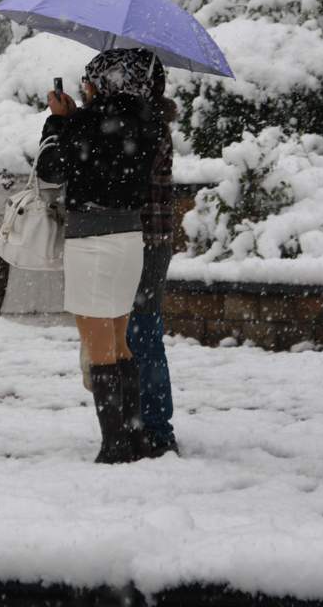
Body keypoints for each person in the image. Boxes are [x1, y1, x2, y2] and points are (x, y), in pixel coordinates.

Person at [36, 48, 164, 464]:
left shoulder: (86, 124)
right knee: (121, 345)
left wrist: (58, 121)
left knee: (100, 348)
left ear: (106, 81)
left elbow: (50, 169)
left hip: (91, 243)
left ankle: (115, 447)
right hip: (129, 240)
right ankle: (135, 437)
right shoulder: (149, 124)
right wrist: (78, 119)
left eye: (90, 80)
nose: (85, 87)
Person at [128, 56, 179, 457]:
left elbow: (129, 176)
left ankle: (158, 427)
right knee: (136, 331)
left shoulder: (148, 127)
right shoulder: (141, 122)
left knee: (144, 331)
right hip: (140, 240)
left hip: (148, 242)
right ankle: (141, 420)